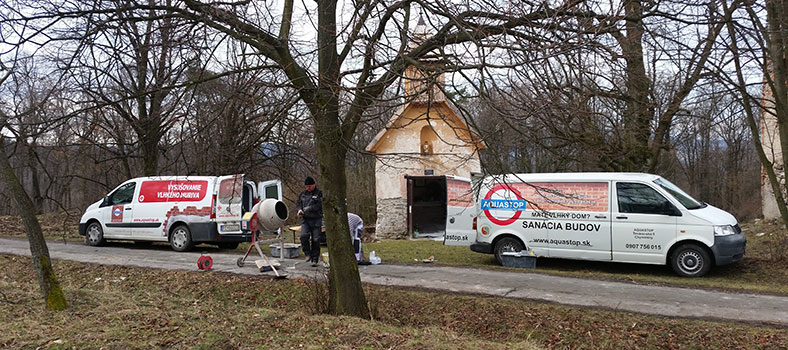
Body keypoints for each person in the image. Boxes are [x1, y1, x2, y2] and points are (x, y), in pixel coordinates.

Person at [297, 176, 323, 267]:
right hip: (306, 220)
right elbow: (298, 203)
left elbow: (320, 205)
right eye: (306, 186)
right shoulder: (303, 194)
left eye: (310, 186)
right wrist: (299, 209)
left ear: (314, 185)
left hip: (316, 219)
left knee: (316, 239)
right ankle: (307, 254)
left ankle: (315, 259)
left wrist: (310, 209)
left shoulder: (319, 194)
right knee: (303, 236)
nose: (308, 188)